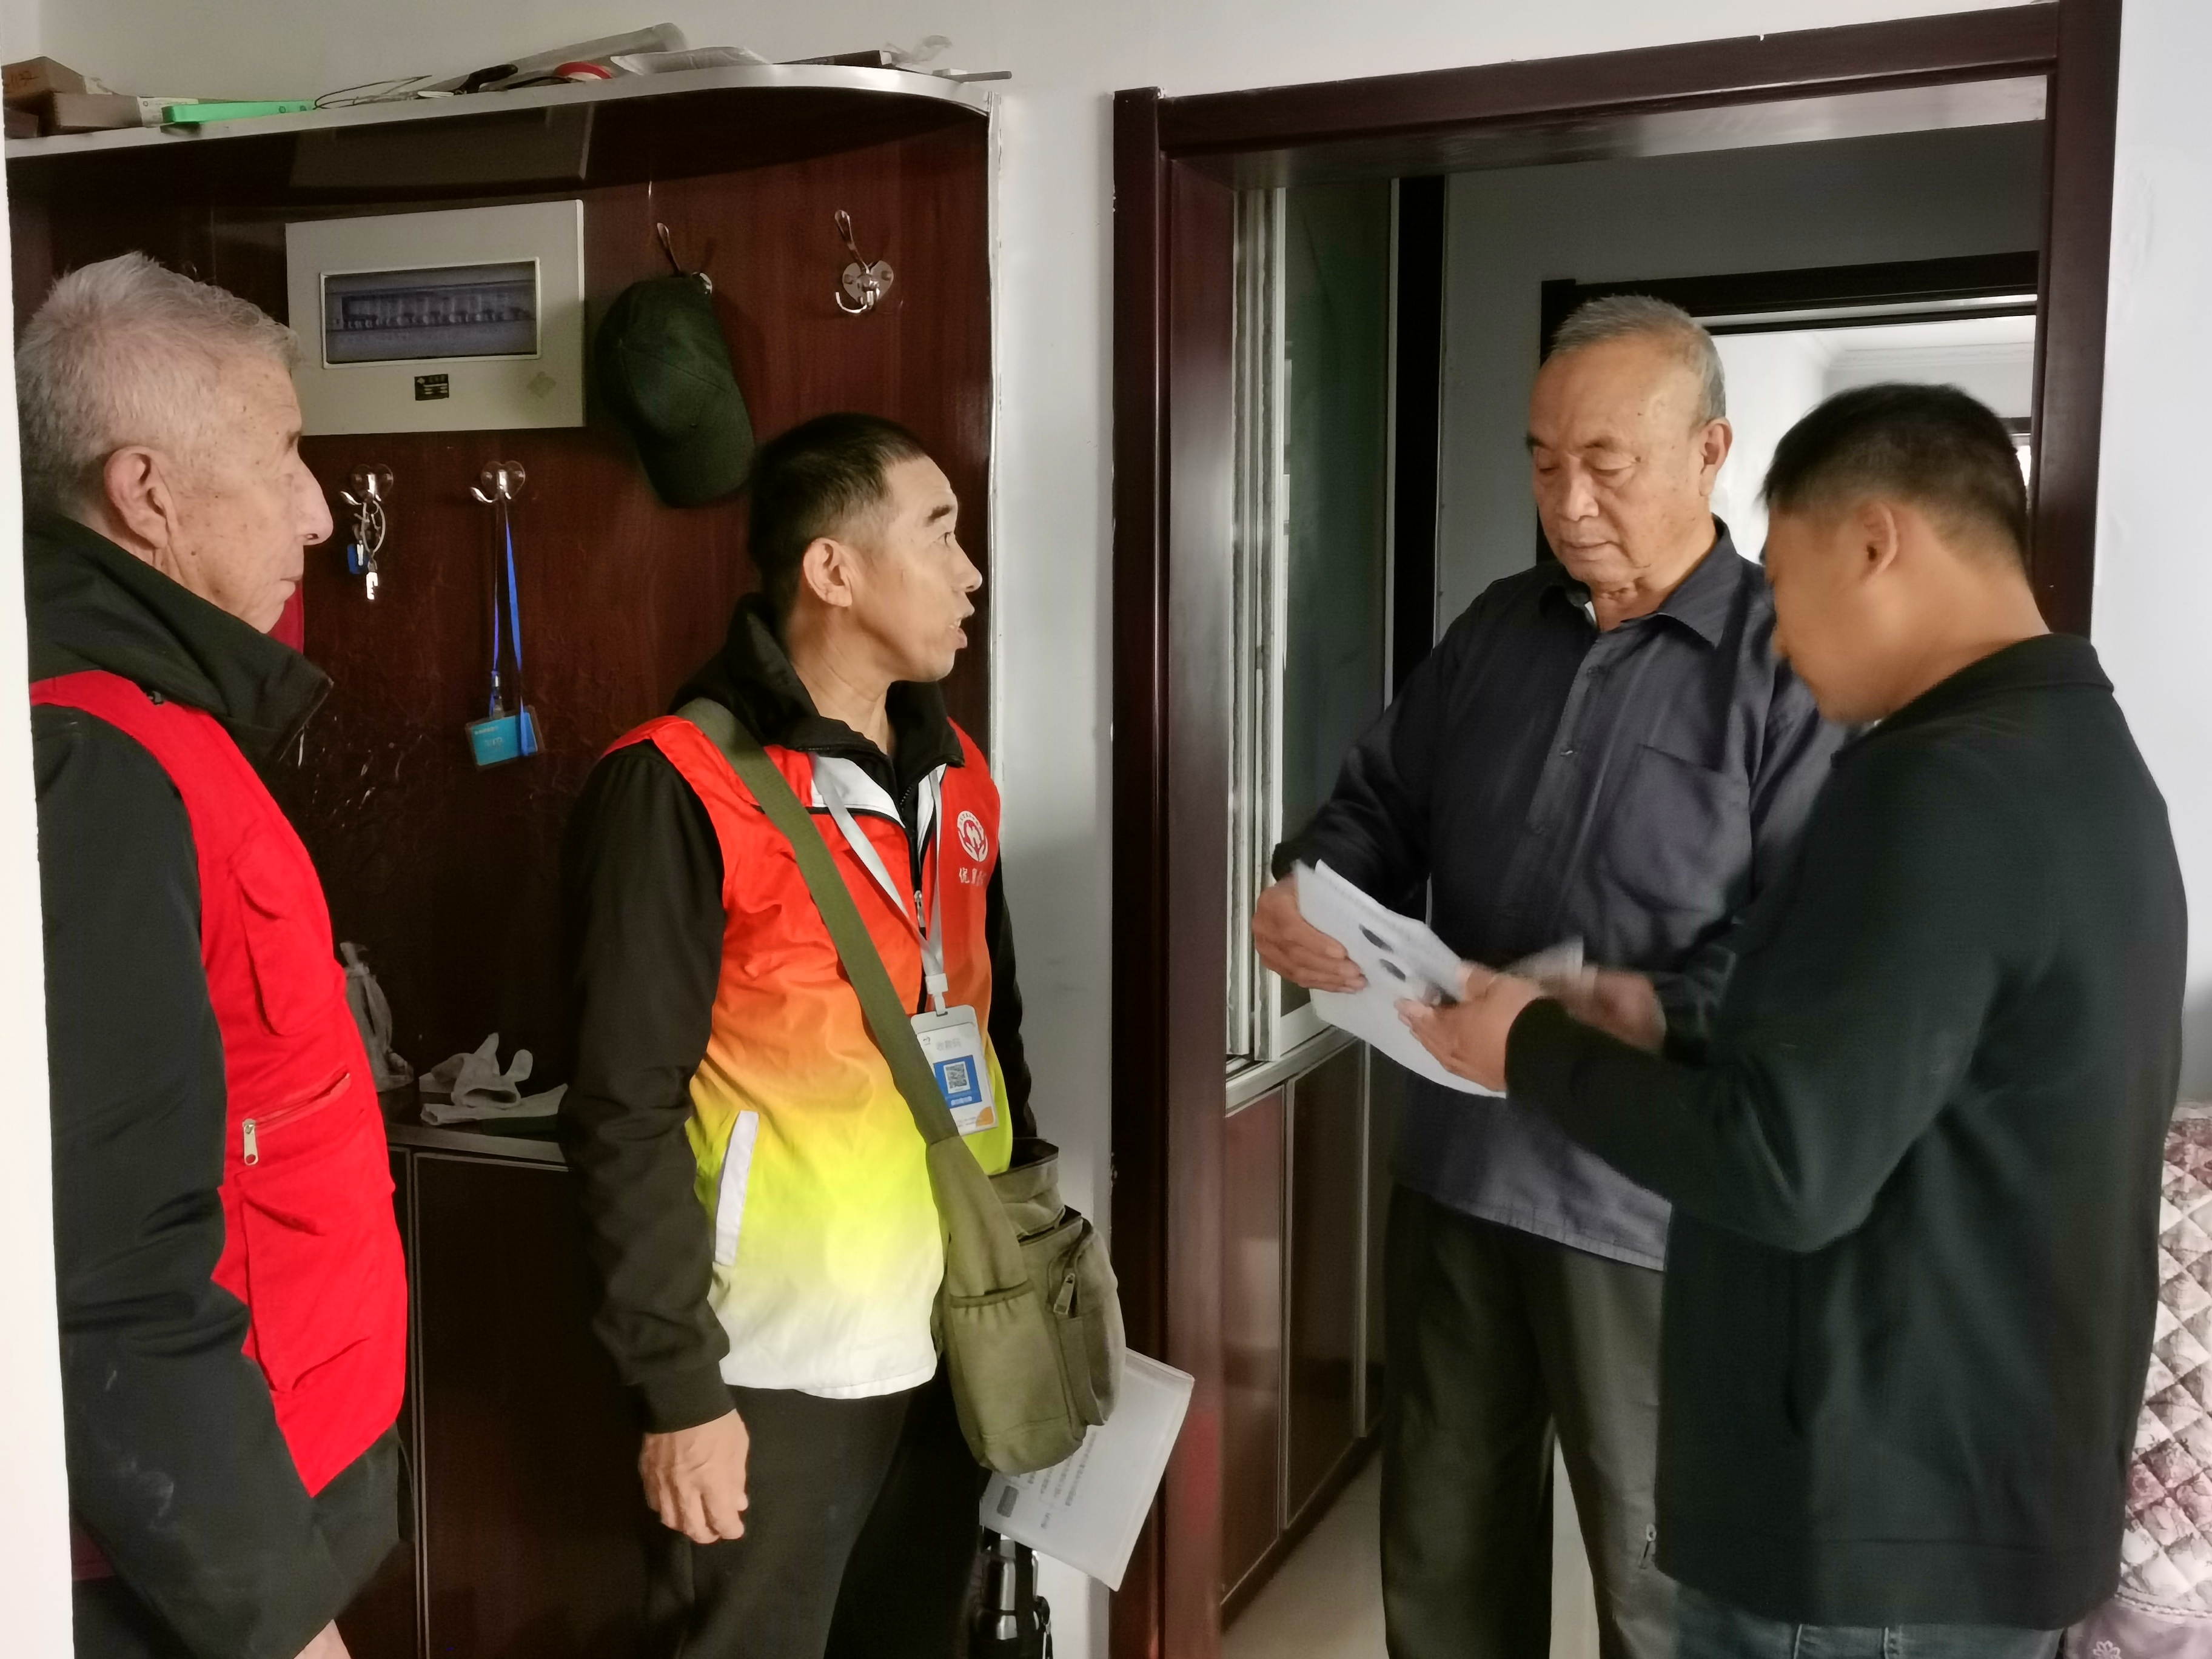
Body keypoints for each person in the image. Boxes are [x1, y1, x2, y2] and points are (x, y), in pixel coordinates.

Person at [1405, 384, 2187, 1658]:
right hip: (1966, 1502)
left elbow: (1785, 1165)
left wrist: (1529, 1047)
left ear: (1877, 541)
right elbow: (1912, 1066)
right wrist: (1665, 1019)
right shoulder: (2071, 753)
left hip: (1865, 1541)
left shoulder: (1938, 789)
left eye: (1786, 578)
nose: (1777, 624)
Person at [1255, 295, 1843, 1659]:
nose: (1568, 502)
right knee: (1445, 1556)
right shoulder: (1497, 631)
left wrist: (1629, 1009)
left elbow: (1810, 940)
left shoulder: (1789, 664)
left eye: (1606, 463)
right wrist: (1310, 890)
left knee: (1663, 1581)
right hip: (1458, 1166)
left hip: (1650, 1206)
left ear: (1711, 452)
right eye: (1542, 461)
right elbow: (1379, 804)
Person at [560, 413, 1033, 1658]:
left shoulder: (955, 773)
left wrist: (1025, 1258)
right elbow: (619, 1110)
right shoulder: (679, 785)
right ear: (833, 570)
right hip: (772, 1363)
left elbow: (993, 1033)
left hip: (953, 1331)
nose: (971, 571)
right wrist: (677, 1389)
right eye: (939, 533)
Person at [19, 253, 407, 1657]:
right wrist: (279, 1623)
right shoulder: (92, 760)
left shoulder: (159, 719)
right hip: (181, 1590)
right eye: (284, 452)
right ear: (147, 493)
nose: (316, 508)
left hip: (270, 1507)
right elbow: (108, 1269)